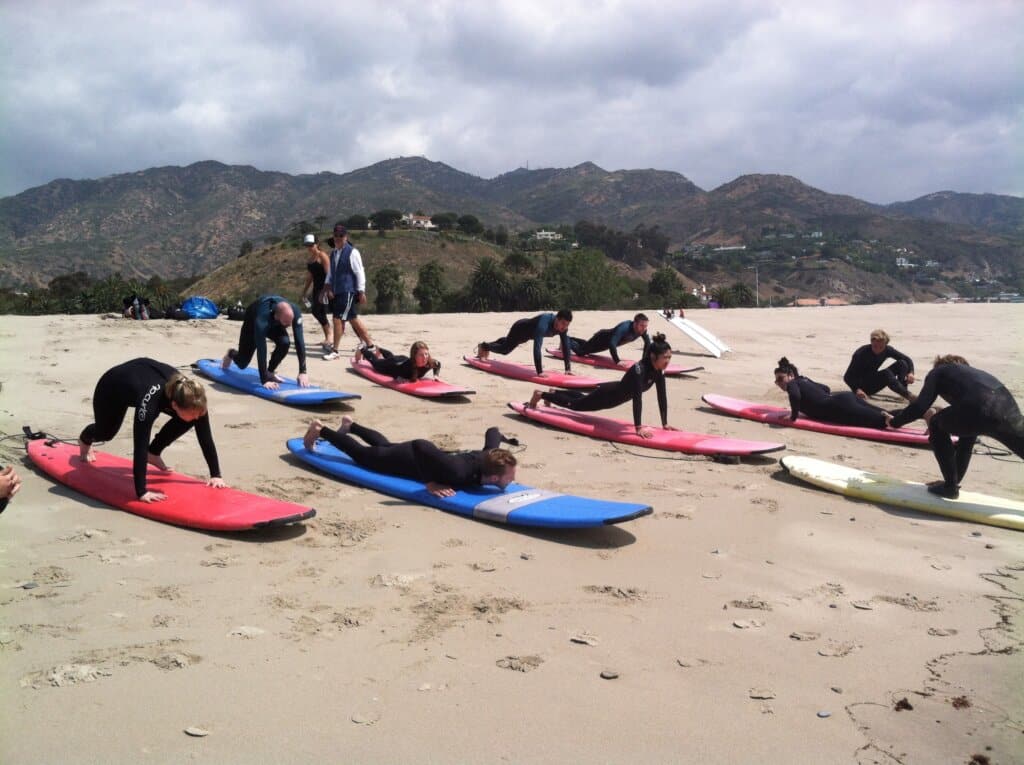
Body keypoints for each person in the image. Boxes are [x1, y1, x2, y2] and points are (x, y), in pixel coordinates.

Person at [78, 358, 226, 502]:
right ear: (174, 405)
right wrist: (142, 491)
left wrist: (216, 475)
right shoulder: (150, 403)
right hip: (112, 387)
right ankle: (84, 439)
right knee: (106, 433)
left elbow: (205, 436)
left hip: (142, 377)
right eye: (194, 413)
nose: (198, 416)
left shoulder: (192, 396)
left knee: (191, 419)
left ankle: (153, 453)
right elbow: (140, 445)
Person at [888, 355, 1024, 499]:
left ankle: (950, 487)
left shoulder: (938, 372)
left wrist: (895, 422)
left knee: (935, 423)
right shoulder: (976, 376)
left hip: (978, 407)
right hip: (1010, 412)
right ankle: (953, 483)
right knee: (969, 432)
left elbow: (919, 407)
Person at [302, 416, 518, 497]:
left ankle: (351, 425)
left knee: (385, 445)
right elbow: (420, 445)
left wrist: (504, 442)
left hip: (422, 456)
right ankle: (320, 430)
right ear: (494, 478)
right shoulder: (458, 472)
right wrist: (430, 483)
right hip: (406, 459)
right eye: (510, 477)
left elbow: (493, 431)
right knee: (363, 455)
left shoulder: (489, 455)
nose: (513, 479)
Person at [528, 333, 676, 439]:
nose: (668, 361)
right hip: (608, 396)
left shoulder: (658, 371)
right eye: (665, 357)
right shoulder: (640, 370)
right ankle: (541, 394)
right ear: (653, 356)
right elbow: (637, 398)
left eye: (669, 357)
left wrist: (665, 423)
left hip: (614, 396)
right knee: (575, 405)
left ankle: (554, 392)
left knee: (581, 398)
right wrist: (638, 428)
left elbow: (661, 396)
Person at [774, 357, 893, 429]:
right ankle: (903, 415)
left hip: (839, 408)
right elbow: (826, 388)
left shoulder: (792, 384)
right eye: (776, 380)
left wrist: (793, 417)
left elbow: (795, 395)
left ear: (791, 375)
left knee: (881, 422)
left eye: (780, 379)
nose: (778, 382)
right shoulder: (804, 380)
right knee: (886, 414)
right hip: (845, 398)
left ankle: (904, 416)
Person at [221, 295, 309, 390]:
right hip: (252, 323)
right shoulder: (261, 320)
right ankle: (231, 353)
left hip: (275, 321)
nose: (289, 326)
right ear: (277, 317)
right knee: (242, 363)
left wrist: (303, 371)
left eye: (290, 323)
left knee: (284, 343)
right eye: (286, 325)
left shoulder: (294, 311)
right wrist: (264, 380)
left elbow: (299, 341)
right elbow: (261, 349)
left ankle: (270, 372)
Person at [323, 223, 374, 360]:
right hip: (337, 291)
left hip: (348, 291)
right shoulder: (333, 253)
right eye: (336, 235)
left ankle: (335, 350)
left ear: (346, 237)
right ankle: (370, 345)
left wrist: (361, 291)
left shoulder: (352, 252)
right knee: (353, 319)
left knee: (337, 318)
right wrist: (327, 286)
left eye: (341, 235)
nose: (338, 238)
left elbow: (359, 272)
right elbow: (331, 273)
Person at [476, 310, 574, 375]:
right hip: (519, 329)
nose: (564, 327)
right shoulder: (543, 323)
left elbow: (566, 346)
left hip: (526, 336)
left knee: (508, 342)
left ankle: (489, 345)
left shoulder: (563, 329)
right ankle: (484, 346)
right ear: (557, 319)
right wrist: (539, 371)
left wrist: (567, 369)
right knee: (505, 350)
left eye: (567, 325)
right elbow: (537, 347)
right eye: (563, 323)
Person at [844, 329, 916, 401]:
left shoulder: (887, 350)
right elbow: (847, 377)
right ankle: (909, 396)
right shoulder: (861, 353)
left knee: (902, 363)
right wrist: (857, 390)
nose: (877, 349)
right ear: (871, 342)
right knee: (886, 373)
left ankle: (903, 392)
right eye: (875, 346)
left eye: (881, 347)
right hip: (863, 387)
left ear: (885, 345)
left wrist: (911, 373)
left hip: (874, 379)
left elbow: (907, 359)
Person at [567, 313, 651, 365]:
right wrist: (617, 361)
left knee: (586, 346)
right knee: (581, 352)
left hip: (606, 344)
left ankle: (571, 339)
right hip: (600, 339)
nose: (644, 328)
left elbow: (647, 343)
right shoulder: (624, 327)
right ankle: (567, 340)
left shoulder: (642, 330)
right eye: (642, 325)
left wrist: (643, 361)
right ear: (635, 323)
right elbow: (612, 343)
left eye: (645, 326)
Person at [300, 233, 333, 353]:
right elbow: (310, 278)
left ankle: (330, 335)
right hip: (316, 289)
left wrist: (328, 290)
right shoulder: (310, 261)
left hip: (324, 288)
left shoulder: (322, 256)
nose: (309, 247)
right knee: (318, 311)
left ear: (317, 244)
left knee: (318, 310)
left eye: (311, 245)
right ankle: (328, 336)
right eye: (307, 245)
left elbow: (329, 274)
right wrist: (304, 292)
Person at [356, 340, 441, 382]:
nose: (425, 357)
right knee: (376, 363)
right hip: (392, 365)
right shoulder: (408, 366)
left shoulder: (429, 362)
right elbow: (394, 371)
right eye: (421, 355)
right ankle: (362, 348)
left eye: (426, 354)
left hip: (401, 360)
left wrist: (436, 376)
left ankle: (380, 349)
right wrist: (398, 378)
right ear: (414, 356)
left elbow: (438, 364)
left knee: (391, 357)